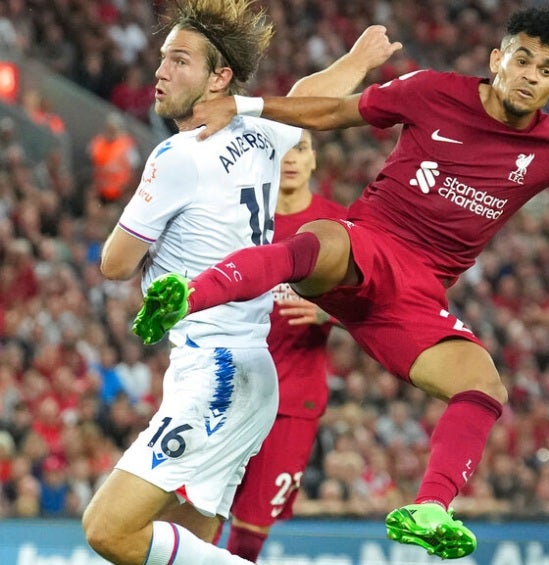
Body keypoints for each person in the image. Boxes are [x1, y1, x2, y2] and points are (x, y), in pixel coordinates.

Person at [130, 7, 549, 560]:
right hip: (370, 242)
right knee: (320, 241)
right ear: (496, 58)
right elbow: (337, 112)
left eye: (546, 70)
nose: (530, 76)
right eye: (522, 59)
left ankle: (431, 508)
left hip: (417, 293)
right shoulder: (432, 91)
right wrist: (246, 107)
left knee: (483, 384)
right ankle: (187, 295)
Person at [80, 1, 400, 563]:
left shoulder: (177, 156)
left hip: (217, 373)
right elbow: (308, 95)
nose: (160, 71)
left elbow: (115, 263)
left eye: (180, 61)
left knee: (106, 529)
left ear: (219, 78)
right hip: (250, 371)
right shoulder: (260, 132)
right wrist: (357, 61)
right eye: (163, 58)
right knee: (188, 546)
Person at [222, 130, 345, 561]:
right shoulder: (239, 216)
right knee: (201, 506)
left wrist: (332, 312)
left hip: (293, 398)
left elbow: (378, 294)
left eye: (302, 149)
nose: (291, 159)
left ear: (314, 160)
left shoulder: (338, 225)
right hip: (228, 387)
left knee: (252, 526)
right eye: (282, 150)